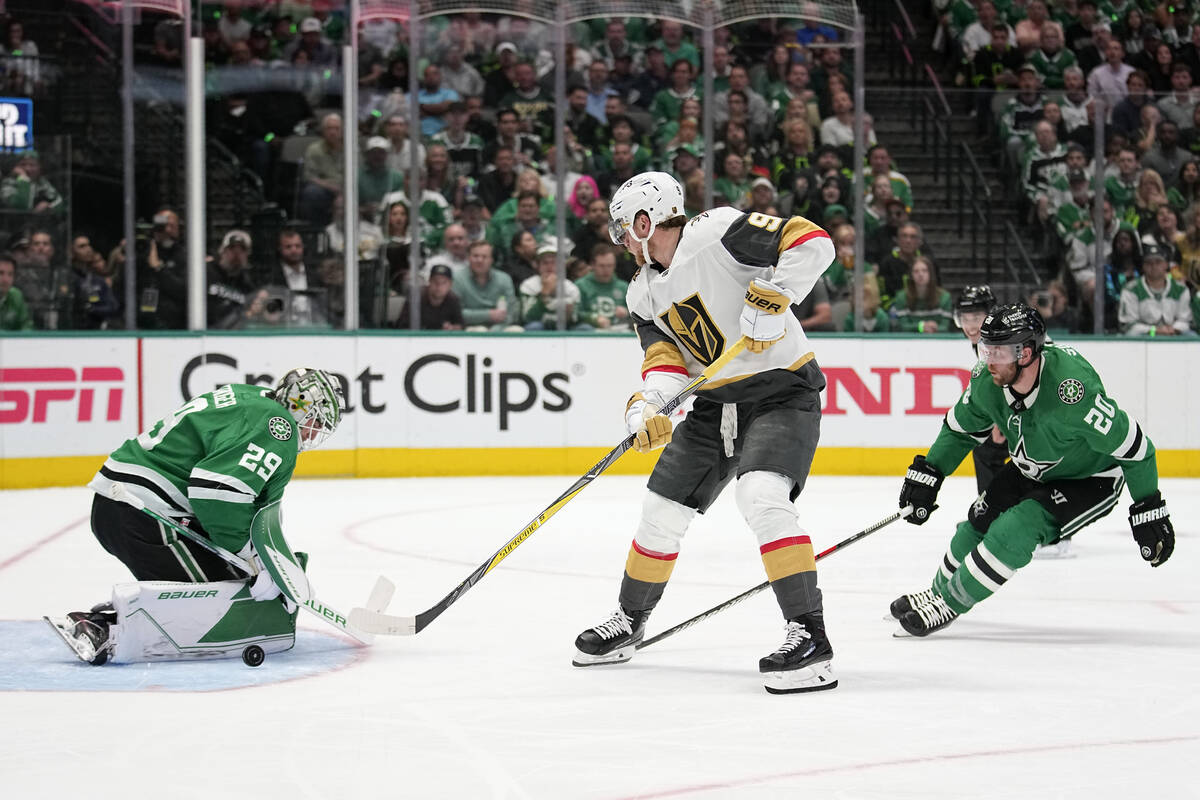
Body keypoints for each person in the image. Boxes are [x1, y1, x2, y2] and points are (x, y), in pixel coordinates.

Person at [574, 172, 838, 695]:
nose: (621, 240)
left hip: (781, 392)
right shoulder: (641, 292)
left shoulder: (715, 232)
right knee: (659, 511)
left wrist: (775, 295)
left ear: (646, 222)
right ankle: (630, 620)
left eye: (624, 228)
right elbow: (666, 364)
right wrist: (648, 407)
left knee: (761, 494)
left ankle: (811, 638)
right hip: (715, 405)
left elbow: (812, 241)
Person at [889, 304, 1175, 637]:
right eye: (986, 348)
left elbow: (1136, 447)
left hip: (1089, 479)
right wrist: (931, 472)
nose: (988, 359)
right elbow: (960, 430)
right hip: (1032, 466)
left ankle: (951, 601)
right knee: (978, 519)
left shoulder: (1072, 392)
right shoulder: (986, 380)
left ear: (1024, 353)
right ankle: (938, 591)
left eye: (997, 351)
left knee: (1017, 528)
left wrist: (1148, 508)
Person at [48, 369, 345, 665]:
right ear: (299, 406)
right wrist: (251, 557)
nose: (313, 432)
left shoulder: (256, 400)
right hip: (142, 511)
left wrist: (272, 561)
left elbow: (247, 503)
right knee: (226, 598)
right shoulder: (277, 426)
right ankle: (102, 627)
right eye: (315, 421)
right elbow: (217, 494)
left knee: (232, 582)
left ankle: (103, 619)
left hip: (128, 503)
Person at [953, 286, 1008, 494]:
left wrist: (999, 420)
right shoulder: (987, 338)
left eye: (976, 317)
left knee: (987, 453)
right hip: (1028, 409)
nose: (970, 326)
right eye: (964, 319)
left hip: (1038, 412)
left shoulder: (999, 340)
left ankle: (991, 513)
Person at [0, 252, 33, 330]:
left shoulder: (16, 296)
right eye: (0, 273)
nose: (6, 280)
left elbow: (26, 326)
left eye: (10, 274)